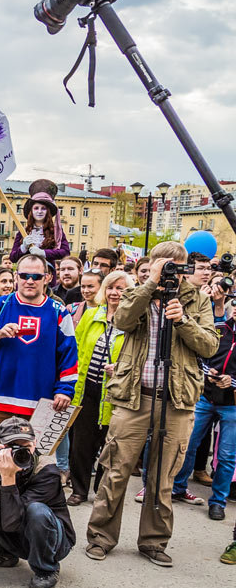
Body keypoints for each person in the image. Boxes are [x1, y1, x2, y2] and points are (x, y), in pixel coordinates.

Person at [84, 242, 219, 567]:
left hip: (177, 400)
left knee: (163, 476)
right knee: (116, 470)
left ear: (186, 268)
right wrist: (149, 286)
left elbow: (210, 345)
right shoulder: (138, 293)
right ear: (154, 266)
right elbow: (123, 321)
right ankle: (101, 537)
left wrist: (183, 319)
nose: (170, 272)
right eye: (163, 266)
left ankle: (154, 542)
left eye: (175, 266)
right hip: (134, 396)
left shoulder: (196, 299)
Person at [0, 255, 78, 474]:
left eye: (36, 276)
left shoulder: (58, 312)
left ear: (47, 278)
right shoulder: (0, 305)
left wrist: (65, 390)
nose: (30, 280)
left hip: (39, 400)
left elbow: (69, 354)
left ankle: (20, 503)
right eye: (24, 276)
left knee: (29, 460)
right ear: (16, 277)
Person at [0, 417, 75, 588]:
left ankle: (46, 569)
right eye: (14, 447)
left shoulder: (47, 471)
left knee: (37, 511)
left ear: (34, 443)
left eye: (25, 447)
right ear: (1, 446)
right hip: (16, 531)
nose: (21, 454)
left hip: (53, 540)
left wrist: (8, 479)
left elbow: (15, 522)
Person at [171, 283, 235, 521]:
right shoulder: (221, 328)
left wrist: (233, 381)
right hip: (206, 396)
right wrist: (208, 372)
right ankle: (177, 487)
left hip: (232, 405)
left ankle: (217, 501)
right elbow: (201, 354)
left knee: (227, 456)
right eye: (235, 302)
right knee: (188, 444)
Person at [66, 270, 130, 506]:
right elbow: (76, 348)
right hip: (87, 389)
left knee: (109, 445)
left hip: (115, 393)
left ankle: (101, 489)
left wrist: (122, 369)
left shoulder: (133, 321)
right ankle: (79, 489)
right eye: (111, 287)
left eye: (121, 288)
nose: (115, 293)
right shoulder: (91, 315)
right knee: (81, 443)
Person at [10, 180, 70, 263]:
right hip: (26, 272)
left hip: (47, 272)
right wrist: (23, 247)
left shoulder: (56, 231)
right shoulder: (23, 232)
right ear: (31, 211)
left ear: (48, 211)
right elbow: (13, 258)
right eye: (36, 208)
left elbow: (66, 252)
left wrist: (43, 253)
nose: (39, 211)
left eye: (43, 208)